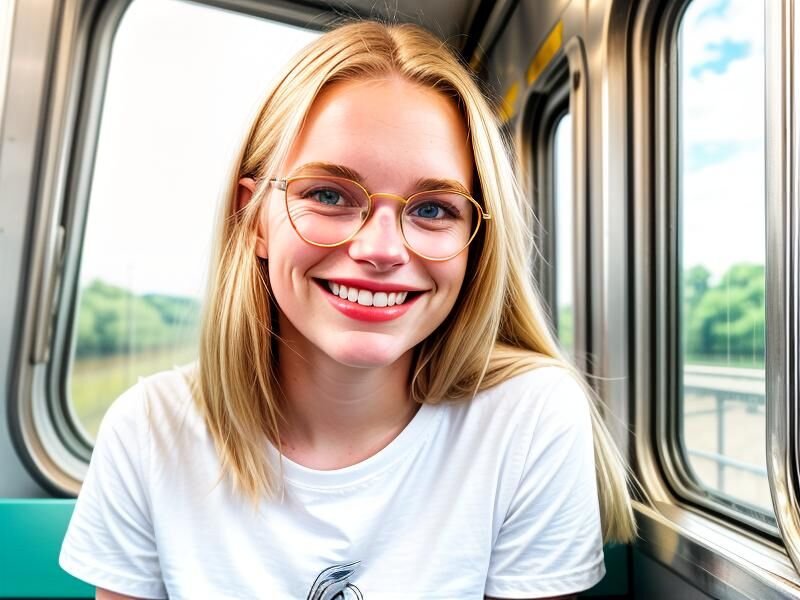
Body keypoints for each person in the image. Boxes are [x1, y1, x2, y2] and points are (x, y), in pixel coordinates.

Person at [59, 19, 635, 600]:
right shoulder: (150, 431)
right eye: (329, 195)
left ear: (476, 240)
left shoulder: (526, 419)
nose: (381, 250)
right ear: (253, 219)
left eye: (433, 209)